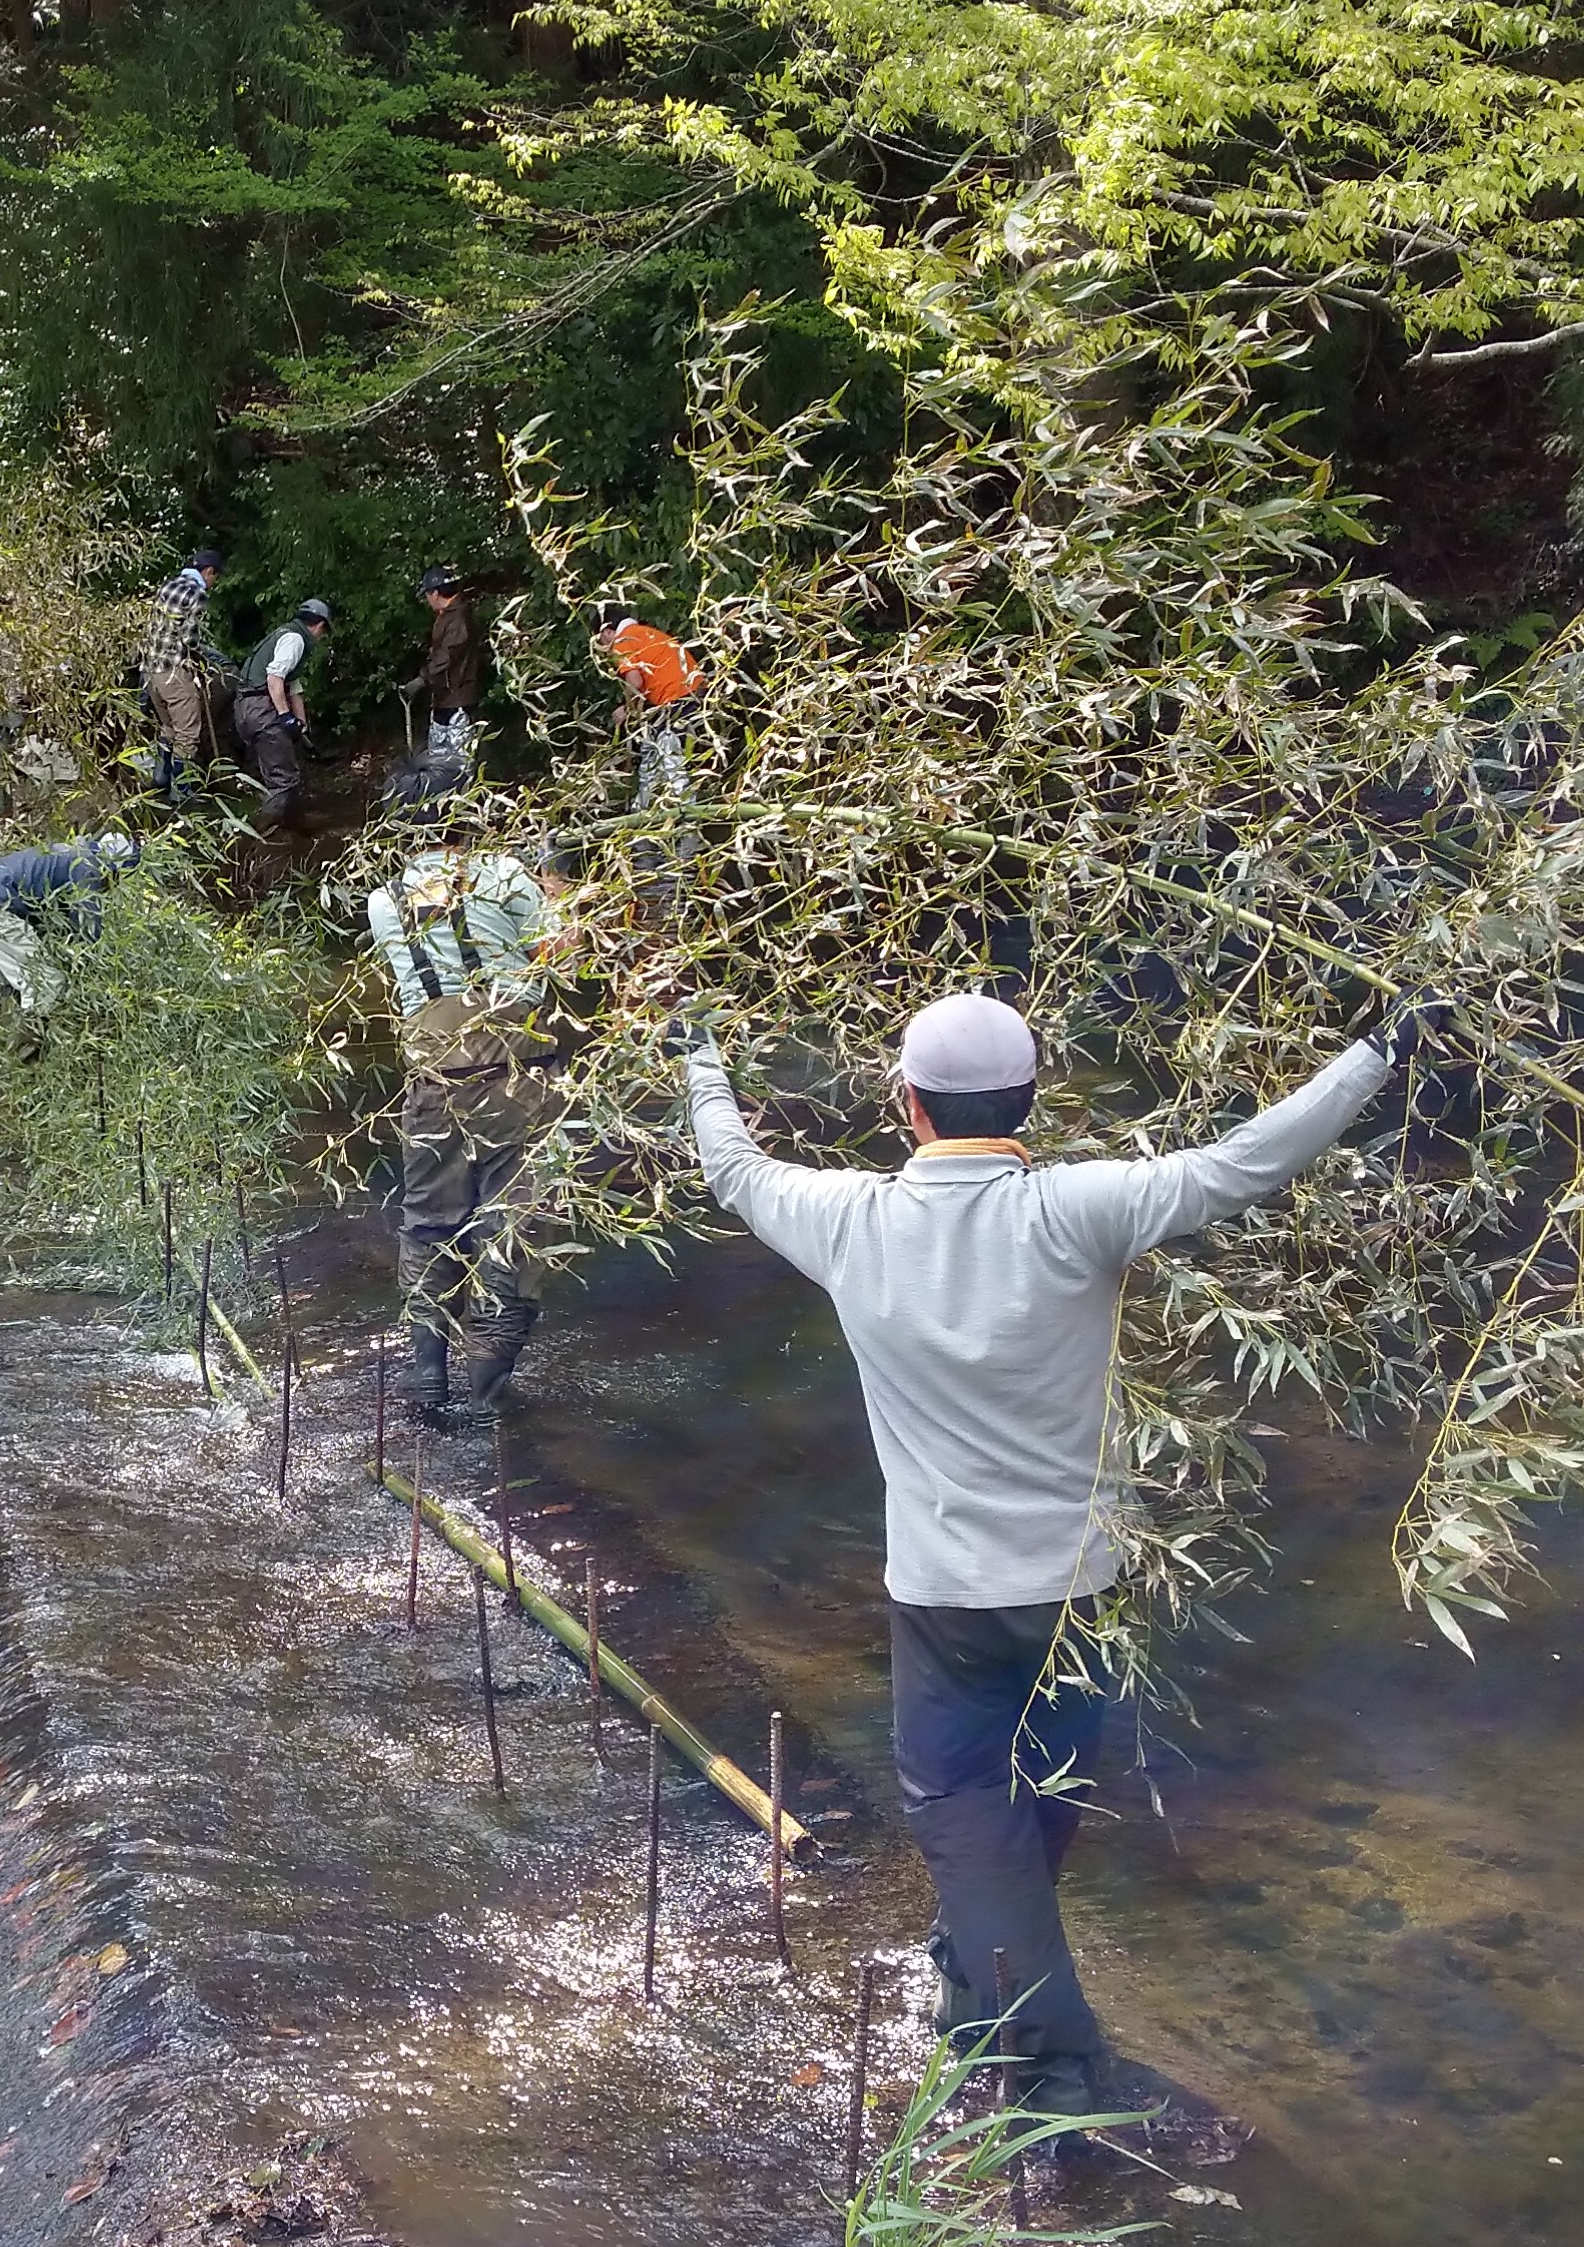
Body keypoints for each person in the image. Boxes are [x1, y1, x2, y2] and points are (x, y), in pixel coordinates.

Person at [675, 987, 1411, 2120]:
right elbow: (1244, 1161)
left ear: (904, 1105)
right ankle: (987, 2017)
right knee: (1033, 1810)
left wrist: (698, 1048)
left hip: (947, 1598)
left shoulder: (846, 1219)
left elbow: (731, 1165)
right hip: (1087, 1592)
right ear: (1029, 1101)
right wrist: (1376, 1050)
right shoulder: (1082, 1209)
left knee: (964, 1807)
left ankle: (1050, 2068)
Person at [368, 841, 568, 1411]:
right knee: (511, 1230)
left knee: (429, 1226)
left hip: (433, 1091)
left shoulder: (385, 900)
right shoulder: (504, 876)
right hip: (517, 1084)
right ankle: (487, 1400)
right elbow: (564, 956)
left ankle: (429, 1382)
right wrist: (554, 895)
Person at [0, 832, 142, 1021]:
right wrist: (94, 971)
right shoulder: (88, 866)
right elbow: (88, 927)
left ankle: (7, 1031)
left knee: (10, 978)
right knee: (44, 980)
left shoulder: (69, 853)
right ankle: (29, 1043)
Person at [228, 598, 331, 831]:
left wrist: (302, 726)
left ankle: (298, 826)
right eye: (323, 631)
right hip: (262, 710)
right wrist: (286, 716)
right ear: (319, 625)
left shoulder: (285, 635)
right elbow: (275, 679)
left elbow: (293, 687)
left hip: (247, 709)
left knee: (285, 772)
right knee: (282, 781)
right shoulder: (295, 640)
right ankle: (258, 836)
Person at [595, 604, 702, 807]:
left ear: (608, 632)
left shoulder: (623, 641)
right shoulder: (647, 633)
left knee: (669, 762)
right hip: (691, 693)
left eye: (601, 643)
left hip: (676, 698)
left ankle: (687, 816)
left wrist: (626, 710)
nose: (604, 650)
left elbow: (635, 682)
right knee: (653, 756)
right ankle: (645, 812)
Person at [140, 547, 226, 799]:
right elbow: (189, 639)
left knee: (168, 727)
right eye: (214, 577)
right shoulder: (196, 593)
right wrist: (204, 659)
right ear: (209, 572)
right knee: (188, 733)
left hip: (151, 671)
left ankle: (161, 778)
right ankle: (182, 792)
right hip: (174, 671)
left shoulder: (167, 587)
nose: (213, 583)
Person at [392, 567, 484, 804]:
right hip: (444, 698)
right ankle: (440, 805)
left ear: (435, 593)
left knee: (461, 760)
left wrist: (420, 680)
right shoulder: (448, 615)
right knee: (438, 759)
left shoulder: (459, 617)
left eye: (427, 594)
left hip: (459, 700)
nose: (427, 599)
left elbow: (447, 656)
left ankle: (463, 809)